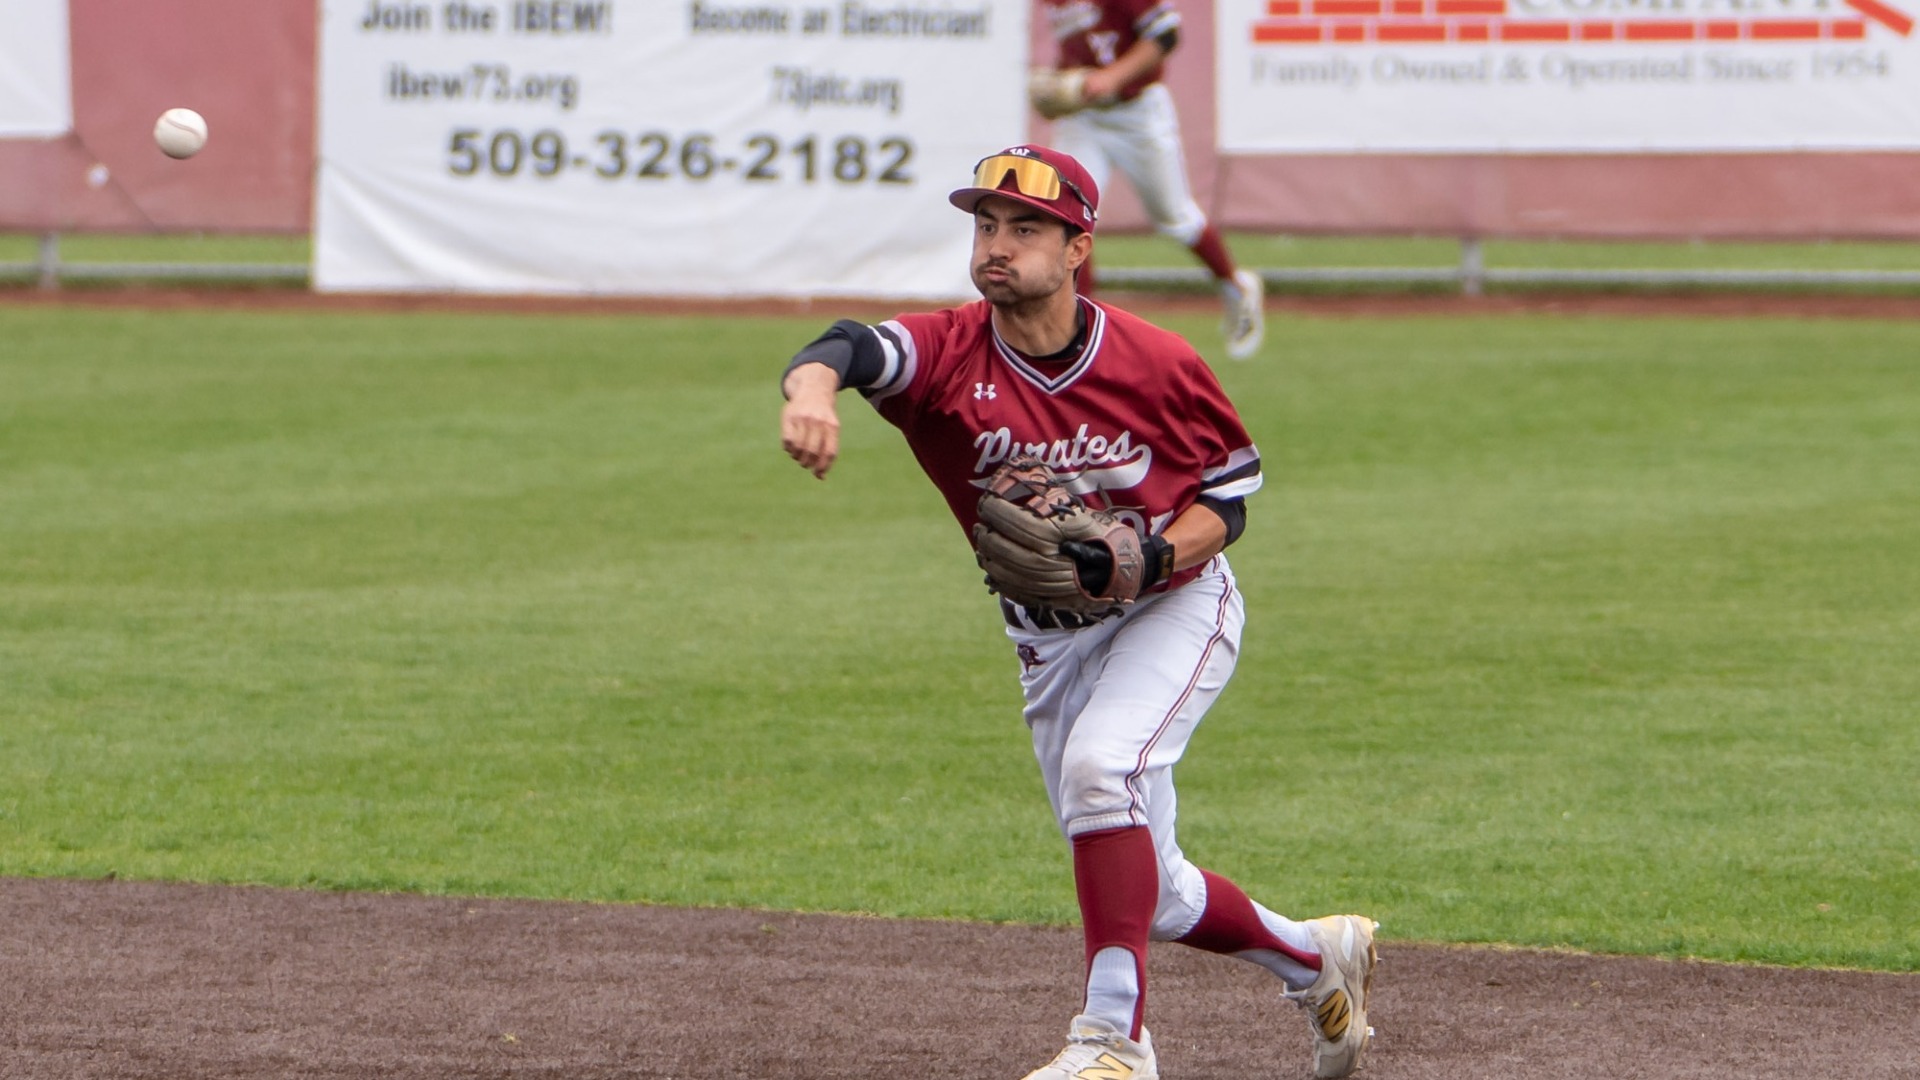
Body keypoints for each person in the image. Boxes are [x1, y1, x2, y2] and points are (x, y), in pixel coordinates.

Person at [777, 145, 1375, 1080]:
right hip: (1048, 647)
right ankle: (1316, 961)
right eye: (985, 225)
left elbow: (1231, 497)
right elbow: (855, 345)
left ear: (1078, 246)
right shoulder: (946, 355)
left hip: (1172, 611)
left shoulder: (1155, 361)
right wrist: (813, 389)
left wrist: (1148, 557)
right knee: (1155, 888)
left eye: (1026, 229)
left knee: (1104, 775)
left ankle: (1113, 1042)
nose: (997, 247)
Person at [1034, 0, 1266, 361]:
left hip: (1138, 113)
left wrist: (1112, 77)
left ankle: (1236, 285)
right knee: (1069, 215)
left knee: (1175, 219)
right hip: (1084, 118)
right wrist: (1064, 80)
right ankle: (1080, 334)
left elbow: (1165, 34)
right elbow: (1088, 43)